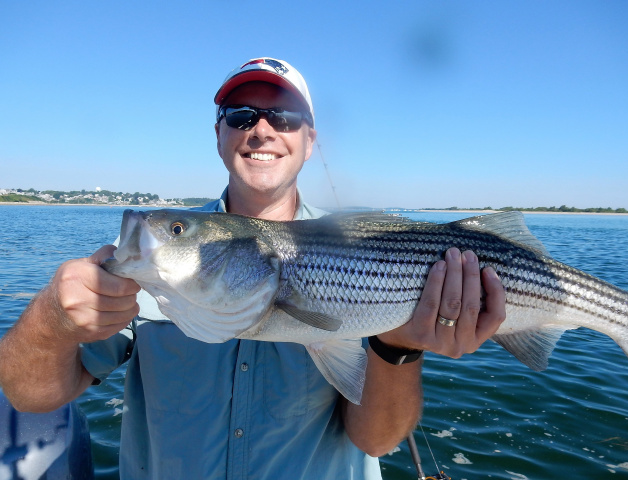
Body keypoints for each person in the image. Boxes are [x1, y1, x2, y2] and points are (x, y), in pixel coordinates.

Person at [0, 57, 506, 479]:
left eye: (284, 116)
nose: (261, 129)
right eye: (241, 115)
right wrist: (50, 320)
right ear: (218, 134)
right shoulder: (143, 263)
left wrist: (397, 349)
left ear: (310, 140)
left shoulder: (364, 247)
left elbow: (376, 439)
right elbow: (28, 395)